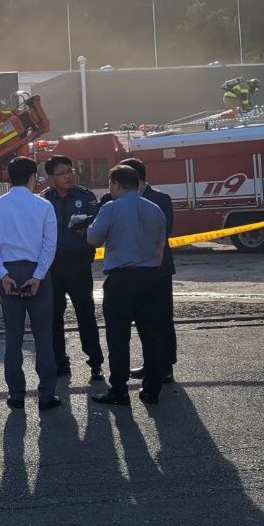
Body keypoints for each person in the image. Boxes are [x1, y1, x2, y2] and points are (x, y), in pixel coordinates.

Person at [0, 156, 61, 412]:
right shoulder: (44, 206)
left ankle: (16, 395)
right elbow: (50, 245)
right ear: (33, 177)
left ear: (9, 176)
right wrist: (38, 276)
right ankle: (46, 395)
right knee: (44, 336)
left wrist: (3, 274)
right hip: (37, 272)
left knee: (13, 336)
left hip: (9, 273)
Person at [86, 164, 166, 407]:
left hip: (122, 279)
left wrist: (86, 228)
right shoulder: (155, 209)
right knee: (151, 334)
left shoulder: (111, 208)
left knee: (118, 337)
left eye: (110, 184)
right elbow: (160, 247)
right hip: (151, 276)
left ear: (117, 184)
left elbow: (93, 238)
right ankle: (152, 390)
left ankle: (119, 391)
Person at [40, 155, 105, 383]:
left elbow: (98, 224)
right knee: (54, 316)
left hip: (79, 266)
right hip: (53, 267)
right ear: (51, 177)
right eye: (62, 173)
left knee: (86, 314)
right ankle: (60, 362)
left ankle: (95, 363)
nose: (68, 176)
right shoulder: (44, 200)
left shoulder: (84, 196)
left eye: (70, 171)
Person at [120, 157, 177, 385]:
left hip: (158, 269)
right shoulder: (119, 199)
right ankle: (150, 363)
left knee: (163, 318)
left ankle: (166, 366)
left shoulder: (160, 198)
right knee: (143, 320)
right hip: (134, 270)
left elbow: (165, 230)